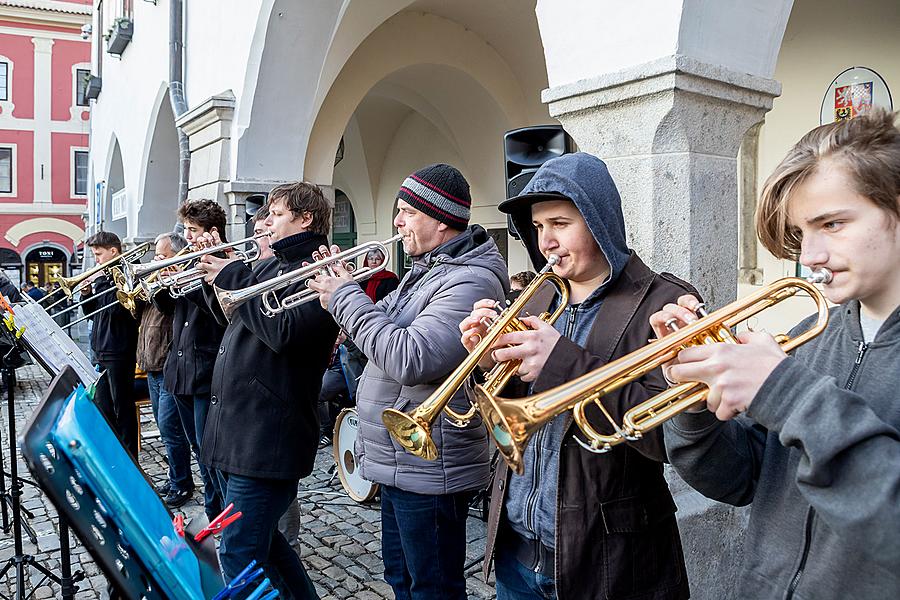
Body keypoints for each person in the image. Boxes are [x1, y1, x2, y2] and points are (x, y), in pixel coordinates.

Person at [653, 109, 900, 599]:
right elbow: (743, 481)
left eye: (832, 224)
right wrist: (696, 405)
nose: (808, 256)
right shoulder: (812, 334)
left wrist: (786, 393)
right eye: (800, 234)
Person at [458, 152, 692, 600]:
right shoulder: (537, 298)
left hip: (606, 561)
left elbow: (668, 437)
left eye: (560, 223)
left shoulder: (664, 301)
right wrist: (487, 364)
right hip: (517, 551)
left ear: (599, 220)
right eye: (539, 226)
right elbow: (504, 414)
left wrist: (562, 362)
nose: (545, 240)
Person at [308, 163, 508, 600]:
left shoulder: (469, 279)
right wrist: (347, 301)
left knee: (432, 589)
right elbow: (382, 338)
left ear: (440, 219)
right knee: (402, 580)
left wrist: (346, 298)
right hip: (399, 459)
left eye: (406, 212)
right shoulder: (425, 271)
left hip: (431, 464)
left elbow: (410, 357)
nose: (397, 223)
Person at [196, 182, 338, 598]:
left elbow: (283, 333)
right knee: (269, 547)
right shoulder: (269, 264)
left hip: (267, 438)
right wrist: (213, 279)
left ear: (305, 218)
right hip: (237, 432)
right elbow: (236, 321)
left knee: (239, 553)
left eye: (274, 214)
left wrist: (233, 277)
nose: (263, 223)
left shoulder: (321, 268)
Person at [153, 200, 227, 515]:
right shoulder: (188, 263)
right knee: (196, 447)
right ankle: (213, 505)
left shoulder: (225, 265)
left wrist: (192, 283)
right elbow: (168, 310)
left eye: (193, 230)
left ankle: (217, 508)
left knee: (208, 449)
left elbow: (222, 316)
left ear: (212, 232)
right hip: (180, 369)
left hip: (206, 371)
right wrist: (163, 283)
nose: (188, 236)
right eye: (186, 229)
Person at [137, 232, 194, 507]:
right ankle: (176, 476)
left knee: (171, 428)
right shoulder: (155, 282)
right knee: (164, 426)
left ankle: (182, 483)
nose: (156, 261)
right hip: (151, 363)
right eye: (156, 256)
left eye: (163, 256)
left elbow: (170, 309)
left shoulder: (177, 283)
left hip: (169, 363)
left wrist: (165, 279)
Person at [80, 231, 140, 457]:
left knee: (121, 407)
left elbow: (119, 311)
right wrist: (86, 293)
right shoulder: (104, 276)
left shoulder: (125, 273)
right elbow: (92, 314)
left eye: (98, 254)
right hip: (101, 349)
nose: (96, 259)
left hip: (119, 349)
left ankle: (129, 456)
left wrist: (101, 283)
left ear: (113, 251)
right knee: (103, 405)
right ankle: (113, 452)